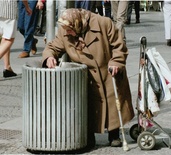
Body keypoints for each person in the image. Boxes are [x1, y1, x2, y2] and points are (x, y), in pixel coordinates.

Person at [42, 8, 134, 150]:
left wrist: (116, 61)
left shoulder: (104, 23)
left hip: (107, 71)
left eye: (70, 30)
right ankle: (88, 136)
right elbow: (54, 46)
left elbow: (119, 45)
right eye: (65, 29)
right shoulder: (65, 29)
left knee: (112, 104)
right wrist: (49, 56)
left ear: (78, 24)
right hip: (86, 76)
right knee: (88, 107)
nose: (67, 33)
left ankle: (114, 134)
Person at [0, 0, 32, 77]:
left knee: (5, 37)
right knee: (9, 39)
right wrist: (27, 7)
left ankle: (7, 67)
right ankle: (7, 67)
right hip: (8, 9)